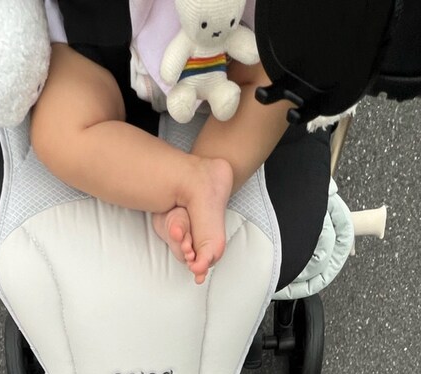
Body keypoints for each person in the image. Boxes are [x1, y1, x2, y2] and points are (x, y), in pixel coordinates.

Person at [29, 3, 292, 284]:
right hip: (93, 44)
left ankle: (196, 195)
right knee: (56, 130)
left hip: (220, 45)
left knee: (283, 75)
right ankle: (189, 181)